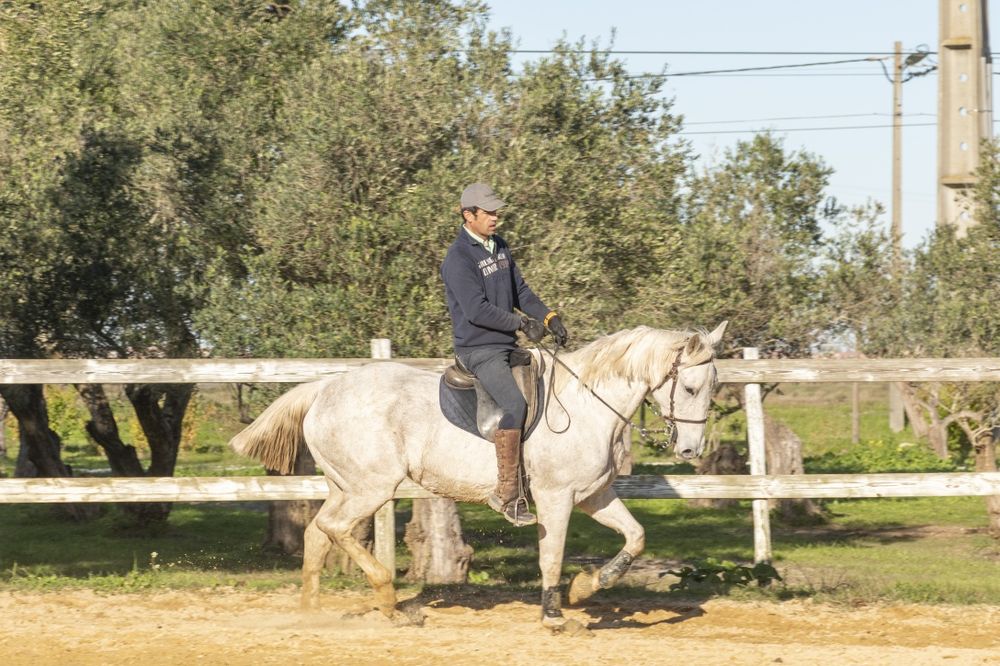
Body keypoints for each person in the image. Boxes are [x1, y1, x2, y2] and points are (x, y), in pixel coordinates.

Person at [440, 183, 568, 527]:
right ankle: (507, 495)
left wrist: (548, 317)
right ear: (469, 215)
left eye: (497, 212)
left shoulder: (499, 246)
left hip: (506, 346)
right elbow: (477, 310)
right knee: (515, 405)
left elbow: (520, 291)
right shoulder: (458, 258)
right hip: (479, 349)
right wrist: (521, 323)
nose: (496, 218)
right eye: (489, 213)